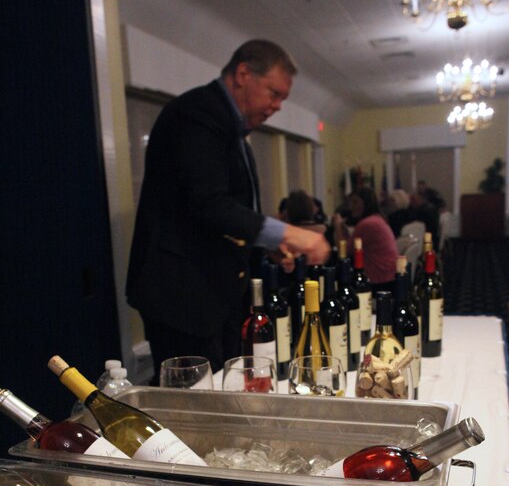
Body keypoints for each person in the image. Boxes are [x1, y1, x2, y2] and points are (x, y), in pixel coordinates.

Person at [126, 39, 330, 377]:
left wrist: (269, 243)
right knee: (194, 405)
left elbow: (225, 217)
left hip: (214, 296)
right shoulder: (197, 113)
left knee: (224, 392)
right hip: (181, 297)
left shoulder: (234, 131)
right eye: (273, 93)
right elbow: (209, 204)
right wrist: (294, 234)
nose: (278, 106)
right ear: (243, 74)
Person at [334, 186, 399, 295]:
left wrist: (337, 226)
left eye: (355, 202)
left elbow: (343, 251)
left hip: (379, 279)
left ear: (365, 203)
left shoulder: (367, 224)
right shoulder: (377, 219)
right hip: (389, 275)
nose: (351, 207)